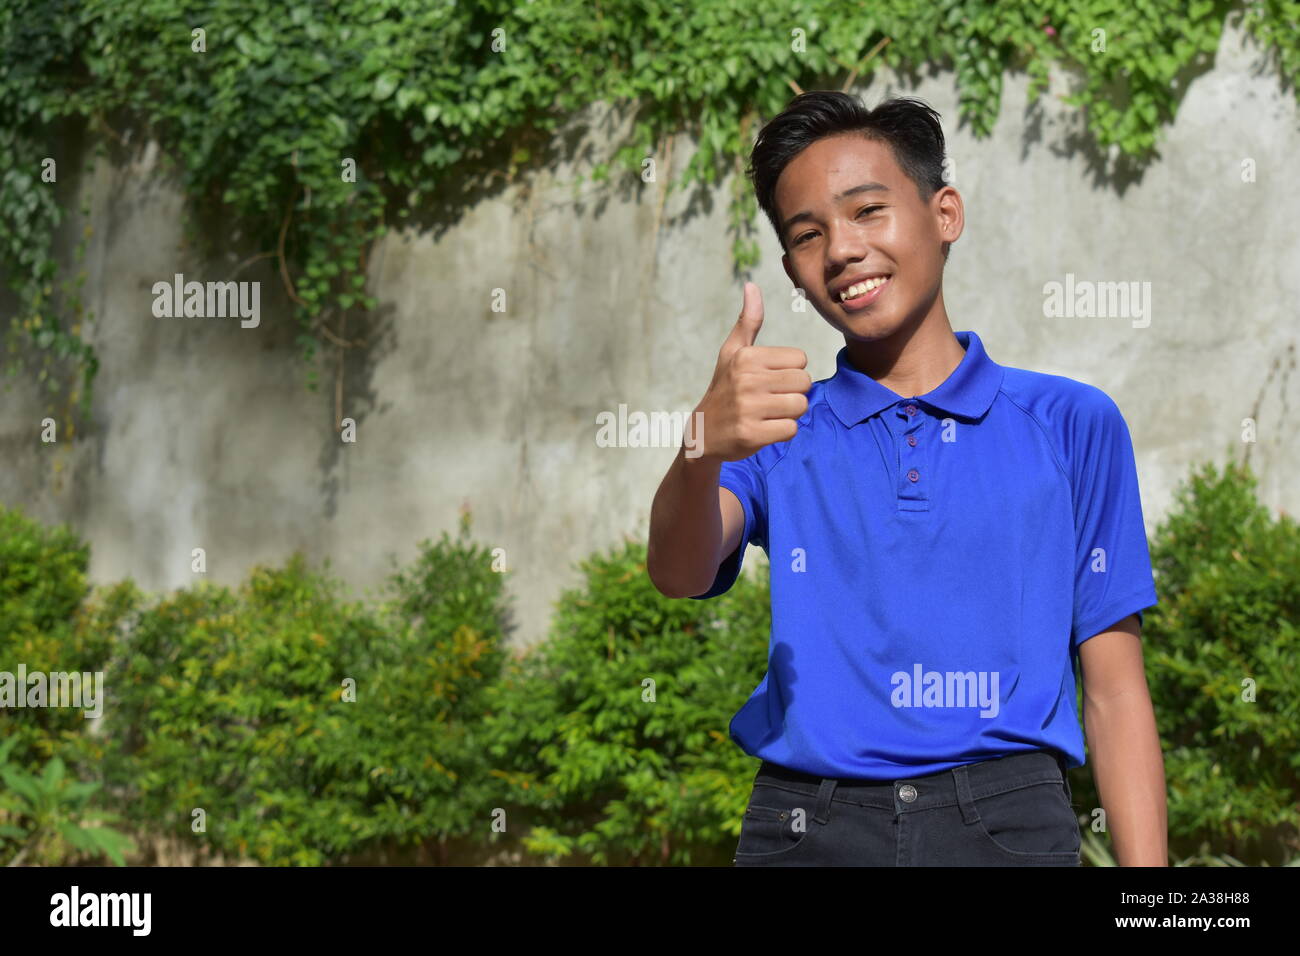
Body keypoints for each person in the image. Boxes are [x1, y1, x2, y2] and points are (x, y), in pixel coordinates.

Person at [646, 92, 1166, 866]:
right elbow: (679, 572)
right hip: (807, 824)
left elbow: (1116, 687)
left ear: (945, 213)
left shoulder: (1072, 424)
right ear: (792, 268)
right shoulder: (772, 431)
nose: (843, 250)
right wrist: (699, 444)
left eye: (867, 211)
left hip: (1010, 821)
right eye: (808, 234)